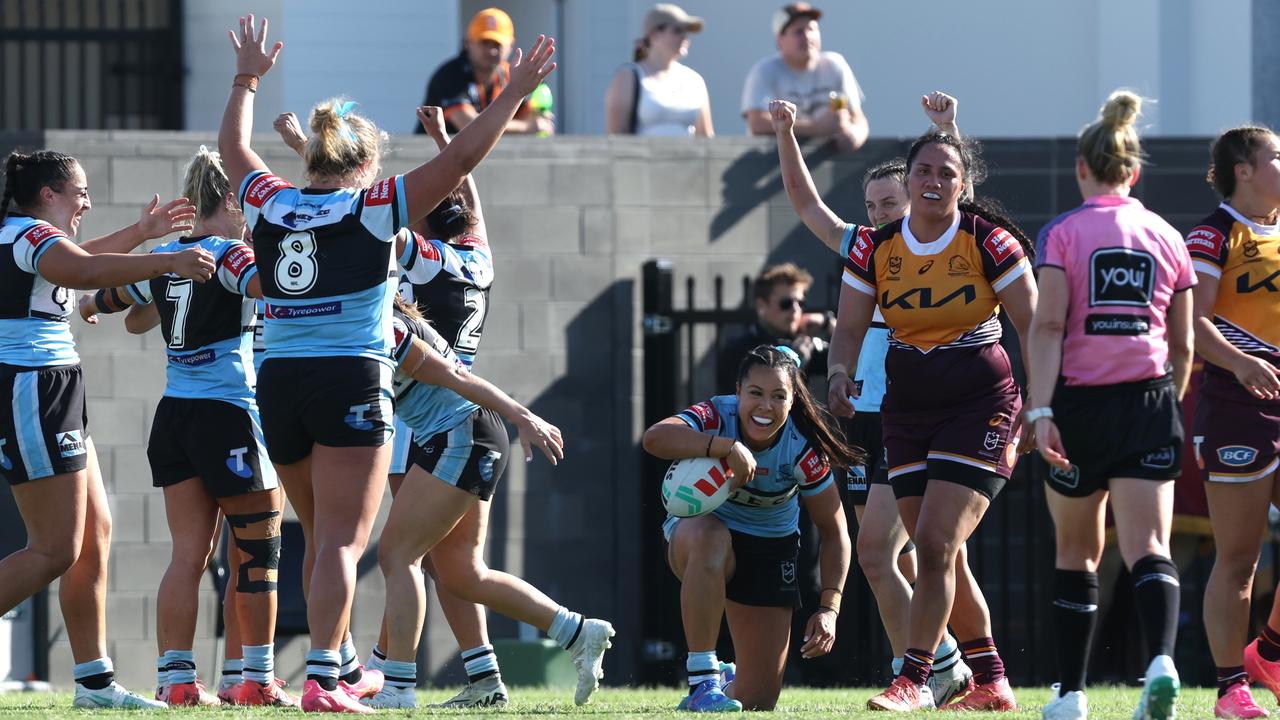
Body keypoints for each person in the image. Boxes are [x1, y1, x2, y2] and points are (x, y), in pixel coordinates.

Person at [217, 14, 555, 713]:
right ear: (366, 165)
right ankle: (322, 681)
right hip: (350, 376)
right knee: (344, 542)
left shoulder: (273, 202)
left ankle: (330, 669)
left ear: (309, 158)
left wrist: (247, 77)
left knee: (315, 537)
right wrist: (512, 94)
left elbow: (231, 148)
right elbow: (459, 164)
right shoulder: (375, 208)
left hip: (276, 380)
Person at [771, 93, 978, 707]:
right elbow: (808, 205)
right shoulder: (868, 249)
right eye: (871, 206)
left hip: (914, 415)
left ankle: (929, 668)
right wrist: (785, 133)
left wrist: (946, 129)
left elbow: (960, 196)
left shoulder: (943, 250)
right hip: (863, 419)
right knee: (900, 557)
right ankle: (944, 664)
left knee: (884, 554)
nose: (879, 213)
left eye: (890, 202)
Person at [79, 147, 297, 707]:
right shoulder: (228, 253)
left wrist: (104, 302)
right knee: (256, 551)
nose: (252, 212)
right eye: (247, 202)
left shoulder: (165, 255)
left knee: (187, 555)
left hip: (173, 415)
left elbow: (117, 309)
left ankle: (177, 680)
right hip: (228, 412)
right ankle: (256, 678)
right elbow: (276, 286)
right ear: (229, 199)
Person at [828, 127, 1037, 711]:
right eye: (925, 171)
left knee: (937, 542)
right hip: (909, 409)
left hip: (983, 405)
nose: (934, 181)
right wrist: (840, 374)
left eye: (947, 172)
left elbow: (1035, 327)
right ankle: (992, 679)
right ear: (908, 179)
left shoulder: (988, 241)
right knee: (937, 548)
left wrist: (1040, 406)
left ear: (963, 185)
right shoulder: (876, 248)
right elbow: (847, 329)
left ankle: (917, 675)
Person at [0, 150, 212, 709]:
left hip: (53, 390)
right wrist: (167, 261)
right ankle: (94, 682)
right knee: (53, 550)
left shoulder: (29, 239)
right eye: (80, 193)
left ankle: (94, 684)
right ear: (48, 194)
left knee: (94, 536)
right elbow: (87, 271)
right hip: (32, 389)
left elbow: (78, 260)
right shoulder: (27, 236)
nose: (87, 203)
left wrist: (142, 234)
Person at [1026, 91, 1194, 720]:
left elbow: (1047, 328)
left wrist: (1040, 412)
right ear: (1135, 171)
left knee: (1077, 554)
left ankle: (1071, 696)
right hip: (1149, 401)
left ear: (1081, 167)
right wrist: (1166, 403)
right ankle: (1162, 662)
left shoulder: (1063, 234)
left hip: (1078, 409)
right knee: (1151, 544)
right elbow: (1181, 345)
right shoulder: (1167, 235)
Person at [364, 296, 613, 709]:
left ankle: (398, 688)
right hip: (464, 434)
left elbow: (456, 376)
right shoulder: (372, 317)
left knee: (397, 555)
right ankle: (577, 632)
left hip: (462, 434)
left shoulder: (381, 324)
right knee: (461, 573)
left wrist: (524, 416)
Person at [643, 345, 857, 712]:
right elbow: (654, 438)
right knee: (711, 537)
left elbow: (835, 530)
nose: (765, 406)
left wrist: (829, 609)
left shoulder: (802, 447)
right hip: (700, 538)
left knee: (757, 700)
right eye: (755, 393)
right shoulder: (716, 413)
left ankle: (726, 682)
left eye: (778, 396)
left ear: (793, 401)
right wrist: (724, 447)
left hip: (770, 547)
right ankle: (702, 681)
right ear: (738, 391)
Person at [1187, 125, 1280, 720]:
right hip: (1235, 405)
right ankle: (1229, 689)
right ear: (1243, 170)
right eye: (1277, 156)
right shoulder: (1213, 233)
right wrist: (1243, 363)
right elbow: (1191, 323)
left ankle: (1269, 651)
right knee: (1239, 556)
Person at [741, 3, 867, 153]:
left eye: (812, 29)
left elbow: (858, 118)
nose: (807, 36)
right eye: (798, 31)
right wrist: (815, 128)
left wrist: (855, 135)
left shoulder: (835, 65)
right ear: (780, 40)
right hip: (776, 164)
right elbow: (757, 123)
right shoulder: (764, 71)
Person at [419, 7, 553, 136]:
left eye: (497, 44)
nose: (491, 50)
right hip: (430, 155)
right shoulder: (449, 75)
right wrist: (529, 127)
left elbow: (532, 115)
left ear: (511, 46)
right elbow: (469, 125)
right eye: (484, 42)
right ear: (468, 43)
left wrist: (537, 118)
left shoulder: (510, 74)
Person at [715, 263, 831, 394]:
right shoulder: (737, 351)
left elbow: (851, 364)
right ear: (761, 305)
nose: (795, 309)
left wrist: (828, 323)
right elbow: (738, 403)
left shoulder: (803, 344)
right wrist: (796, 365)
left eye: (800, 303)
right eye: (786, 303)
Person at [604, 4, 713, 137]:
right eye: (677, 30)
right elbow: (617, 136)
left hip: (689, 158)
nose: (685, 37)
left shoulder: (695, 81)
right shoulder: (629, 76)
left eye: (687, 32)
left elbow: (705, 137)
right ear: (654, 35)